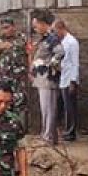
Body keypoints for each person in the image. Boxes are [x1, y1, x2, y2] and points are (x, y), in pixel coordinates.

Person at [28, 10, 64, 146]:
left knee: (48, 108)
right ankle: (48, 135)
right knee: (46, 108)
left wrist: (49, 65)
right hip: (42, 78)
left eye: (36, 25)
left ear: (43, 24)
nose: (35, 28)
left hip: (47, 78)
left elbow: (60, 52)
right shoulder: (44, 38)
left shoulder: (51, 38)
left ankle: (48, 137)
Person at [0, 17, 28, 127]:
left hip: (19, 76)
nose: (5, 30)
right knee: (3, 100)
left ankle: (20, 127)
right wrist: (8, 45)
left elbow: (29, 51)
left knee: (20, 100)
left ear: (13, 27)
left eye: (7, 27)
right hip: (4, 76)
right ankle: (4, 125)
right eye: (3, 28)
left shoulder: (22, 37)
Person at [54, 18, 80, 142]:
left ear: (61, 28)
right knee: (65, 106)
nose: (55, 34)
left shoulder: (72, 42)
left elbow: (75, 62)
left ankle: (71, 131)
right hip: (63, 77)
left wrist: (73, 81)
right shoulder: (63, 41)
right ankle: (67, 130)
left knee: (70, 107)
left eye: (55, 31)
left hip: (69, 78)